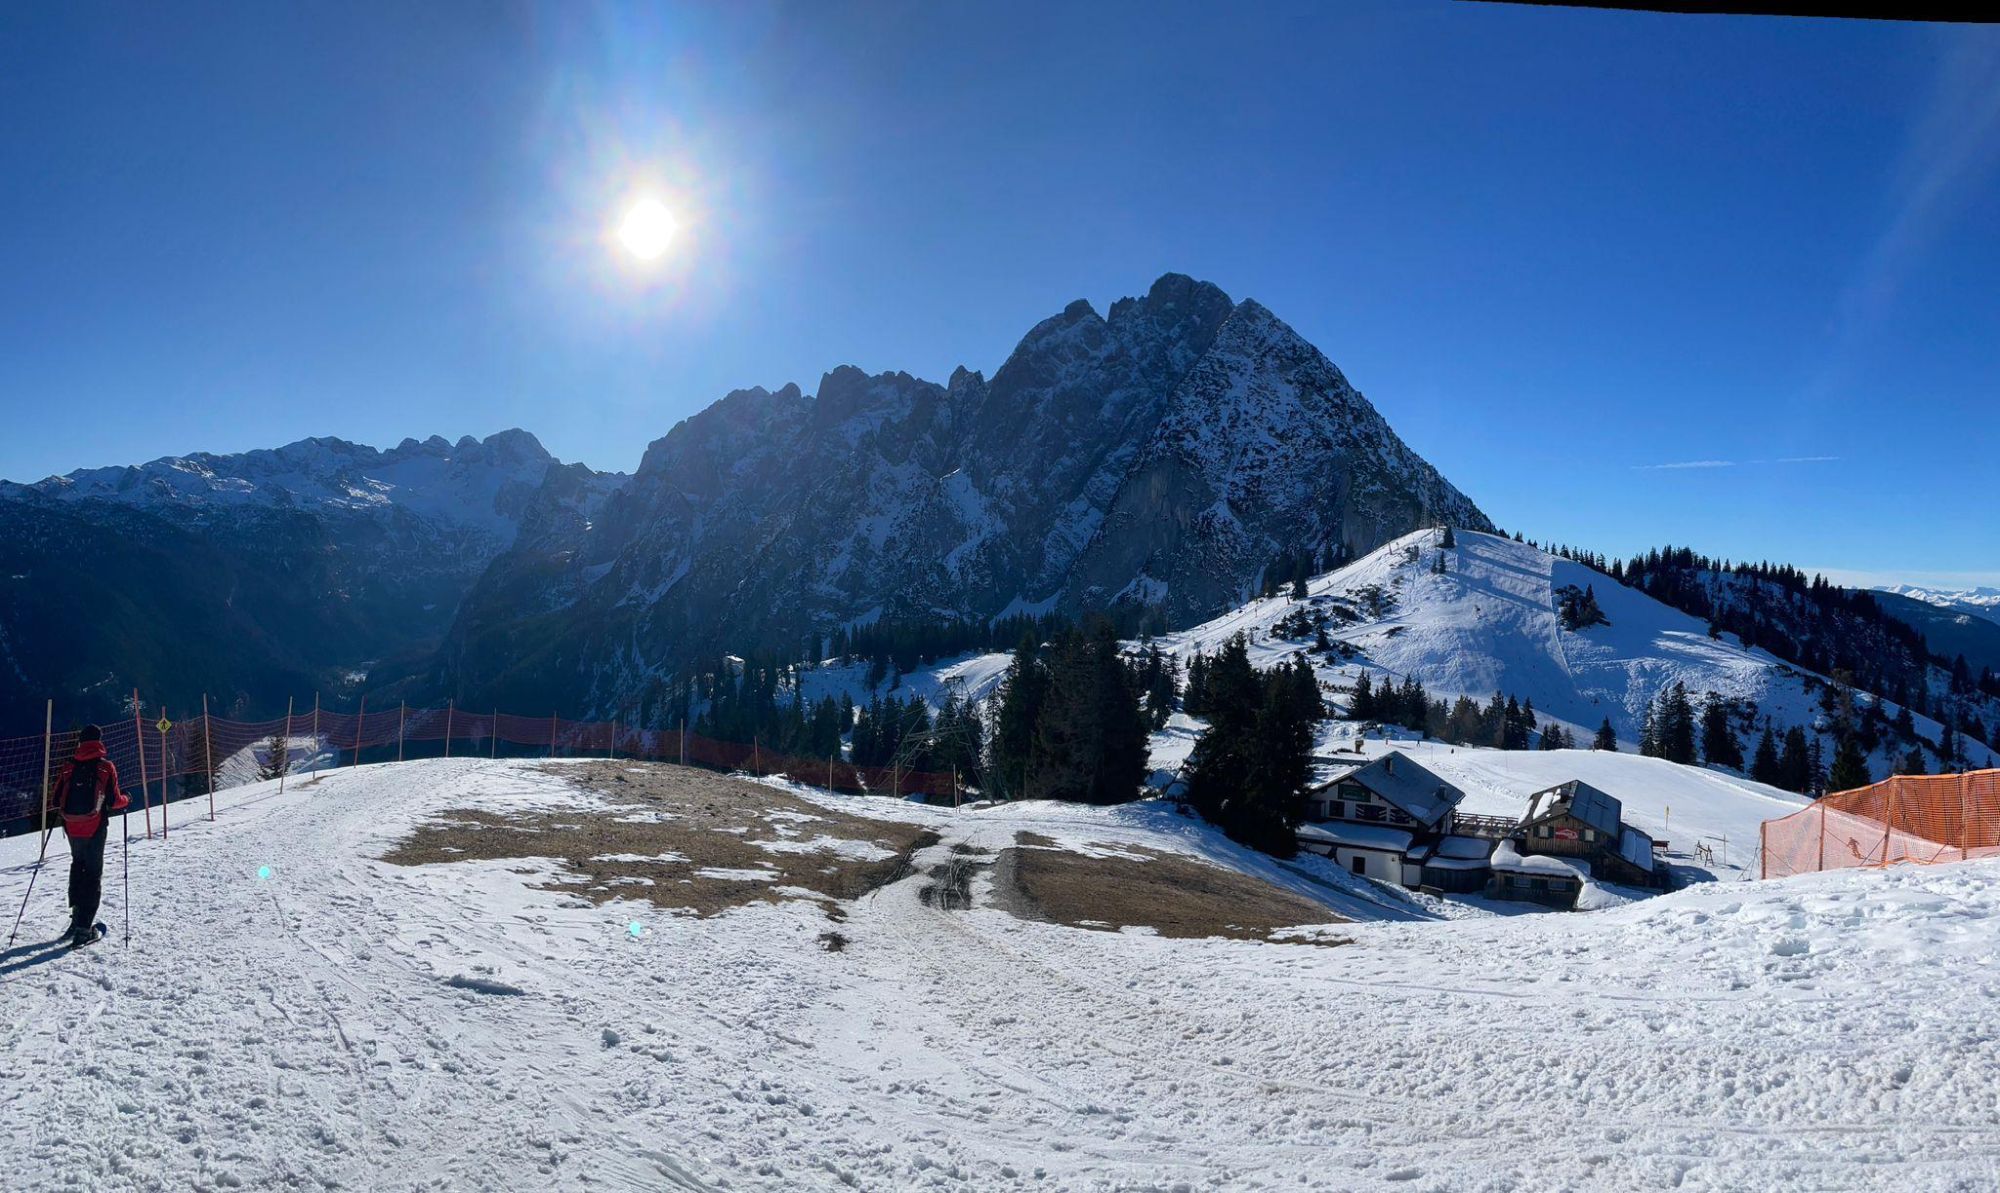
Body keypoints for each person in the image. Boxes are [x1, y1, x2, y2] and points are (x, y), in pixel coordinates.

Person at [48, 724, 130, 947]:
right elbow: (113, 802)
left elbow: (55, 800)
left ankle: (75, 920)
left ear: (80, 742)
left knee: (78, 865)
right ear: (99, 741)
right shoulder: (106, 767)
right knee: (93, 874)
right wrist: (127, 800)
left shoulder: (68, 767)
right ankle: (84, 930)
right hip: (95, 827)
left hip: (72, 827)